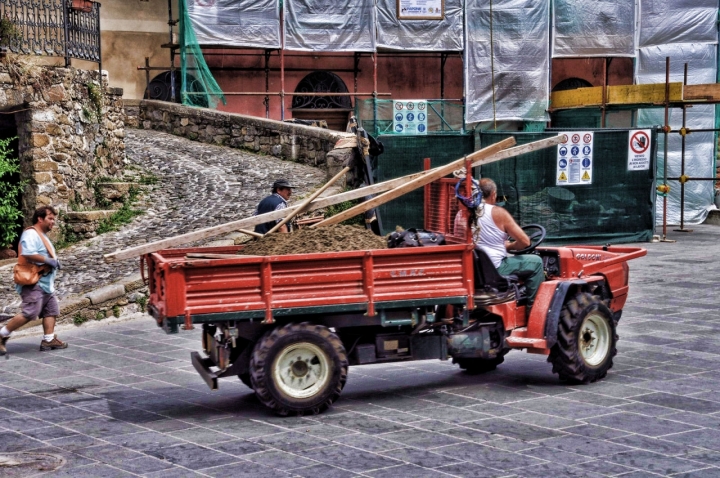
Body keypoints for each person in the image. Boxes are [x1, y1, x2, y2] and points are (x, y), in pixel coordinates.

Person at [0, 206, 67, 355]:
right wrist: (49, 261)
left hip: (44, 283)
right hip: (34, 282)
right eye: (50, 219)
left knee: (51, 310)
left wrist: (53, 262)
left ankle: (48, 340)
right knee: (30, 312)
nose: (53, 222)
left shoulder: (40, 234)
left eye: (53, 219)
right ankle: (2, 334)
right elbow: (29, 253)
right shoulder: (30, 234)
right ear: (40, 219)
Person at [474, 178, 544, 314]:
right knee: (537, 262)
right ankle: (535, 313)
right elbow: (525, 242)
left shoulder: (462, 213)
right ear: (493, 194)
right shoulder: (498, 212)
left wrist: (503, 246)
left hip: (476, 270)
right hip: (495, 269)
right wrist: (510, 246)